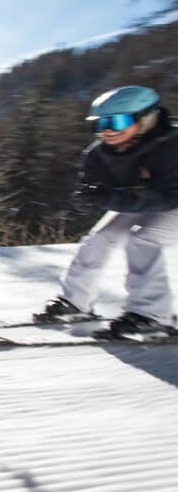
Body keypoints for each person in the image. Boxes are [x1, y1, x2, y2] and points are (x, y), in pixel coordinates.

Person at [36, 85, 178, 339]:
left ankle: (153, 316)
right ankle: (75, 302)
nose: (107, 131)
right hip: (145, 200)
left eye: (117, 121)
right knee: (100, 238)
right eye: (100, 124)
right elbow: (93, 188)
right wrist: (87, 199)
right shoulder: (97, 154)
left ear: (146, 119)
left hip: (172, 201)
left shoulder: (172, 145)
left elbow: (169, 197)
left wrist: (112, 197)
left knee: (143, 239)